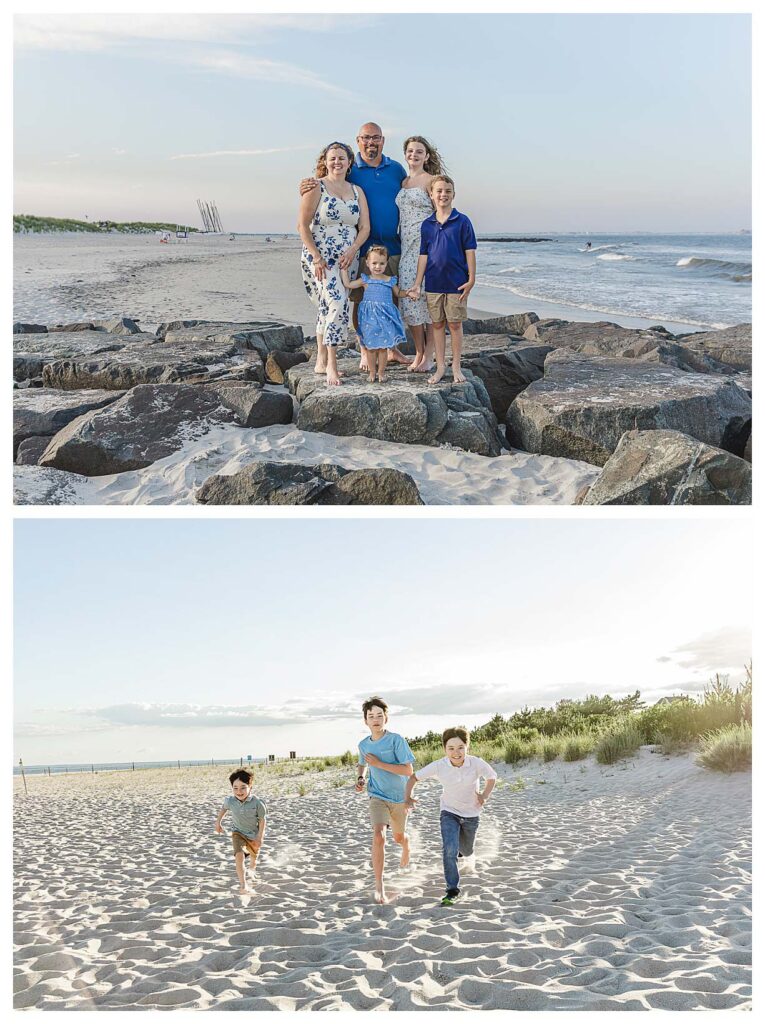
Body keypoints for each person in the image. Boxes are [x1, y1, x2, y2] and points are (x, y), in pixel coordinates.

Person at [301, 122, 411, 371]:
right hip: (356, 252)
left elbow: (411, 188)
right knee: (357, 300)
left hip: (388, 247)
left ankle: (389, 350)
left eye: (376, 138)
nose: (371, 142)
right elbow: (307, 216)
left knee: (387, 299)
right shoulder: (350, 172)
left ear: (383, 140)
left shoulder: (395, 169)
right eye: (366, 138)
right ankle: (362, 351)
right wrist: (304, 186)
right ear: (358, 141)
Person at [298, 141, 370, 386]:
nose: (337, 162)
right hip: (321, 258)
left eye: (342, 158)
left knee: (327, 307)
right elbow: (302, 226)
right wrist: (316, 257)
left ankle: (319, 361)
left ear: (350, 162)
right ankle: (331, 365)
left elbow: (365, 227)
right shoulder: (315, 187)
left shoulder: (357, 191)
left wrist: (353, 250)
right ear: (325, 162)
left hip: (347, 257)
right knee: (337, 304)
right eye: (333, 158)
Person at [404, 726, 497, 907]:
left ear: (467, 747)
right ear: (445, 749)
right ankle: (452, 890)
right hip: (449, 812)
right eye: (451, 748)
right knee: (449, 849)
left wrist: (484, 796)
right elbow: (413, 778)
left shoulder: (476, 763)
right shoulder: (440, 765)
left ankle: (463, 852)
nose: (456, 752)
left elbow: (492, 777)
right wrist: (407, 797)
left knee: (467, 850)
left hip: (471, 813)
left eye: (460, 747)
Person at [407, 175, 477, 385]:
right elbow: (423, 255)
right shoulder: (427, 225)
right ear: (431, 195)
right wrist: (418, 282)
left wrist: (471, 279)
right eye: (439, 191)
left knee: (454, 325)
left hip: (457, 283)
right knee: (436, 325)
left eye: (447, 191)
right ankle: (439, 367)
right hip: (434, 283)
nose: (443, 195)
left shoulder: (462, 221)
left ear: (453, 194)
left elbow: (470, 251)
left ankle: (456, 366)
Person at [355, 696, 415, 905]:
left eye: (379, 715)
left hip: (399, 798)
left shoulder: (396, 740)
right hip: (377, 796)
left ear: (386, 718)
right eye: (371, 716)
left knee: (398, 837)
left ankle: (406, 845)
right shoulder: (363, 744)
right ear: (366, 721)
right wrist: (361, 778)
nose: (375, 719)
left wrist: (379, 764)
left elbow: (408, 770)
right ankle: (379, 886)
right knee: (379, 835)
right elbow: (362, 764)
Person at [396, 136, 446, 373]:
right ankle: (418, 352)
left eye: (419, 151)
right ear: (405, 154)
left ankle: (429, 356)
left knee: (428, 301)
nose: (414, 155)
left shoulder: (432, 181)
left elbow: (442, 213)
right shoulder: (403, 182)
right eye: (410, 151)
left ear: (427, 156)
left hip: (427, 246)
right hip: (406, 246)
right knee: (410, 299)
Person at [340, 244, 406, 383]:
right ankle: (372, 372)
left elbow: (398, 293)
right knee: (370, 347)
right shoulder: (365, 279)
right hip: (369, 319)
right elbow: (349, 285)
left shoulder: (389, 280)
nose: (378, 266)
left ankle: (381, 373)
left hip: (385, 318)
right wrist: (344, 270)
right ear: (368, 263)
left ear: (386, 263)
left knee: (382, 348)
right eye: (374, 263)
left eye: (381, 263)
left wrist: (409, 293)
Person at [214, 768, 267, 895]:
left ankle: (252, 870)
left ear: (250, 787)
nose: (239, 791)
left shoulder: (258, 803)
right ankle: (243, 885)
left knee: (253, 860)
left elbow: (262, 821)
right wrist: (218, 822)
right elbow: (223, 809)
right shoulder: (230, 801)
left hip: (253, 835)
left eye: (243, 787)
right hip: (237, 833)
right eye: (235, 788)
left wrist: (260, 837)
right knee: (239, 856)